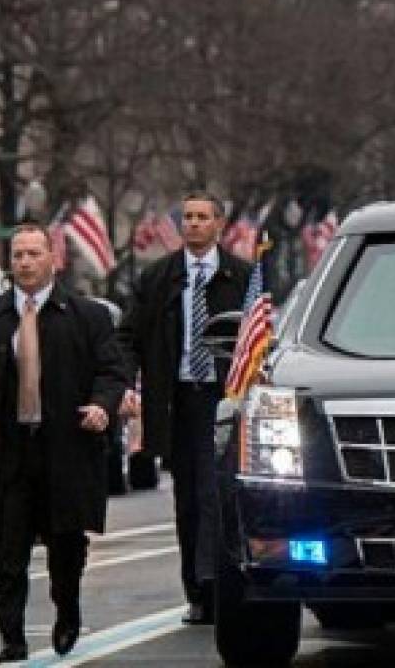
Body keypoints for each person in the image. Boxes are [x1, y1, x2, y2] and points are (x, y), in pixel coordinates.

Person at [0, 225, 126, 663]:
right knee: (5, 552)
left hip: (64, 449)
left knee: (66, 547)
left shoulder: (85, 316)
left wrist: (101, 406)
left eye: (34, 254)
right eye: (17, 255)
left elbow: (112, 372)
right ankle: (11, 639)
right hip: (5, 451)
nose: (25, 263)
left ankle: (67, 611)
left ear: (52, 259)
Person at [117, 192, 253, 624]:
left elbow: (263, 341)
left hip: (224, 401)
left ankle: (215, 583)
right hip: (177, 400)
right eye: (187, 217)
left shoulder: (243, 278)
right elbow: (129, 337)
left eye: (202, 217)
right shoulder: (158, 278)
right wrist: (125, 386)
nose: (193, 224)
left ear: (219, 224)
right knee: (187, 499)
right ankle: (195, 588)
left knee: (216, 492)